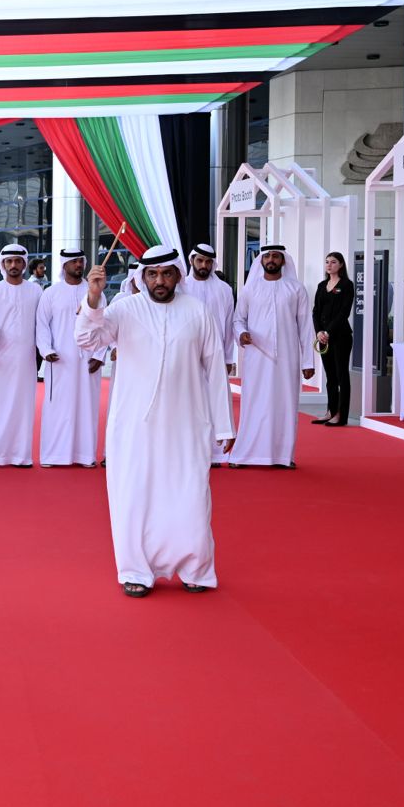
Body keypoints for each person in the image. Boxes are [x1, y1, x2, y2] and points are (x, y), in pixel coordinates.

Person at [75, 246, 234, 596]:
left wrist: (224, 424)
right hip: (134, 427)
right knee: (134, 497)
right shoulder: (123, 310)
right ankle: (135, 570)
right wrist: (93, 298)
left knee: (190, 495)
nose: (159, 281)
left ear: (178, 275)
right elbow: (86, 340)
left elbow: (216, 370)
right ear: (141, 276)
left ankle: (196, 568)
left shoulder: (198, 311)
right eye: (152, 274)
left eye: (166, 274)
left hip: (187, 424)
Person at [229, 245, 315, 468]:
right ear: (261, 260)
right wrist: (242, 333)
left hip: (287, 358)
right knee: (253, 403)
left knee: (284, 404)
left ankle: (283, 457)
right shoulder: (250, 289)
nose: (271, 259)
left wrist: (308, 361)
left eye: (275, 256)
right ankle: (245, 455)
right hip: (257, 357)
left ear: (283, 260)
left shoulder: (296, 289)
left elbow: (306, 327)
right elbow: (238, 319)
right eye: (266, 256)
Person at [0, 243, 43, 467]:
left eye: (17, 261)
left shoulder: (36, 291)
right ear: (2, 265)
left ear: (24, 264)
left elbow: (43, 324)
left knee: (23, 406)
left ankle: (20, 456)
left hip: (25, 359)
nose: (13, 265)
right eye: (9, 261)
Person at [36, 249, 104, 468]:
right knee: (58, 408)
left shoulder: (95, 292)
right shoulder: (51, 293)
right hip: (60, 361)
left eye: (80, 261)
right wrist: (46, 350)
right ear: (63, 265)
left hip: (87, 361)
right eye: (73, 261)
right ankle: (54, 455)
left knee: (87, 407)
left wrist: (100, 355)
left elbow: (106, 324)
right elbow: (42, 325)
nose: (78, 265)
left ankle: (85, 455)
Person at [183, 243, 237, 464]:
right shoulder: (182, 287)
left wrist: (227, 357)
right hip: (186, 354)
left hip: (215, 354)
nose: (203, 265)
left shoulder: (223, 290)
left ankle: (214, 454)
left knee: (213, 399)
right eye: (200, 261)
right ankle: (189, 450)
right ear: (192, 261)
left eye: (208, 262)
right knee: (188, 401)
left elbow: (228, 325)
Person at [311, 251, 355, 427]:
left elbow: (344, 312)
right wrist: (319, 332)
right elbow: (316, 311)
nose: (329, 265)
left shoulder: (346, 285)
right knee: (330, 376)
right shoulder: (322, 285)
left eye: (333, 262)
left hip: (341, 336)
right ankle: (331, 411)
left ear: (341, 265)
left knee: (341, 375)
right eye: (327, 262)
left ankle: (341, 415)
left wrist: (328, 331)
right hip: (323, 338)